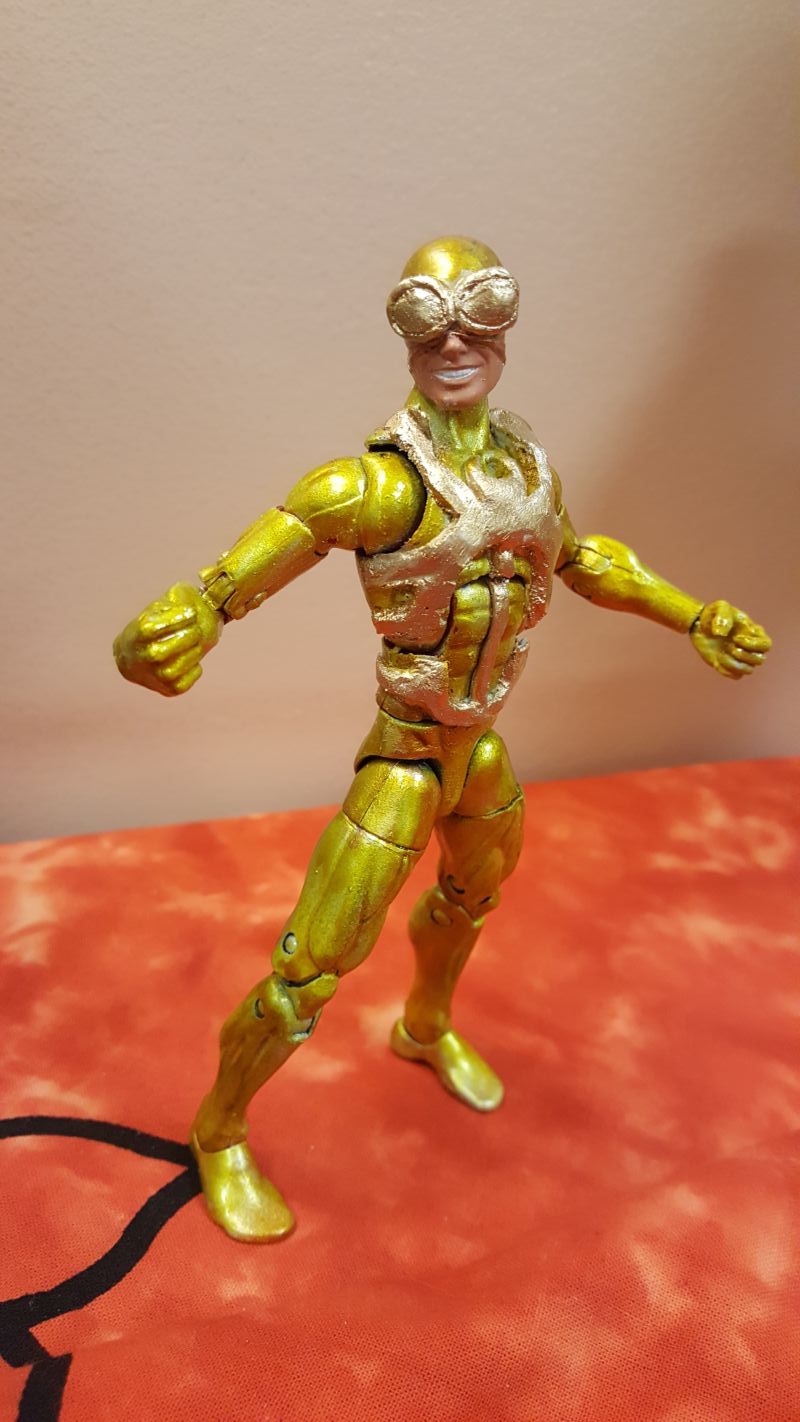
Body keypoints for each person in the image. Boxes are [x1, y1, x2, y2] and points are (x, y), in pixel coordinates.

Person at [114, 236, 771, 1243]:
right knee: (307, 972)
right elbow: (236, 577)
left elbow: (581, 558)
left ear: (506, 329)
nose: (455, 341)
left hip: (482, 748)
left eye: (480, 313)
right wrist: (179, 627)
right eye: (428, 319)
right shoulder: (370, 488)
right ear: (403, 332)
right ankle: (219, 1129)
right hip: (406, 755)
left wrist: (692, 616)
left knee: (472, 898)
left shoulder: (525, 466)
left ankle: (424, 1026)